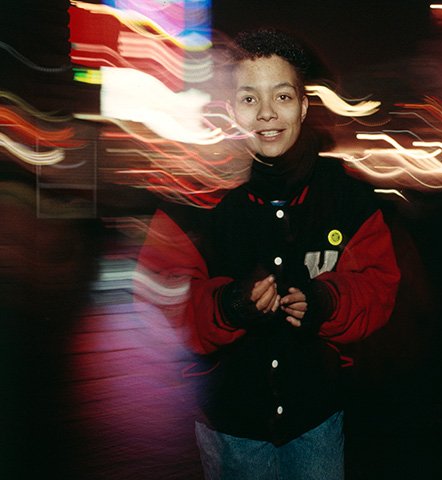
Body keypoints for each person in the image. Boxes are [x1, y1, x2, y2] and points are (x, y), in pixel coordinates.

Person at [135, 28, 401, 479]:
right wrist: (229, 306)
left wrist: (326, 301)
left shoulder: (348, 199)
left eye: (281, 96)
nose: (266, 113)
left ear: (303, 105)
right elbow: (160, 300)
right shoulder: (193, 200)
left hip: (317, 418)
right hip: (230, 424)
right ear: (229, 109)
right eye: (249, 98)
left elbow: (378, 285)